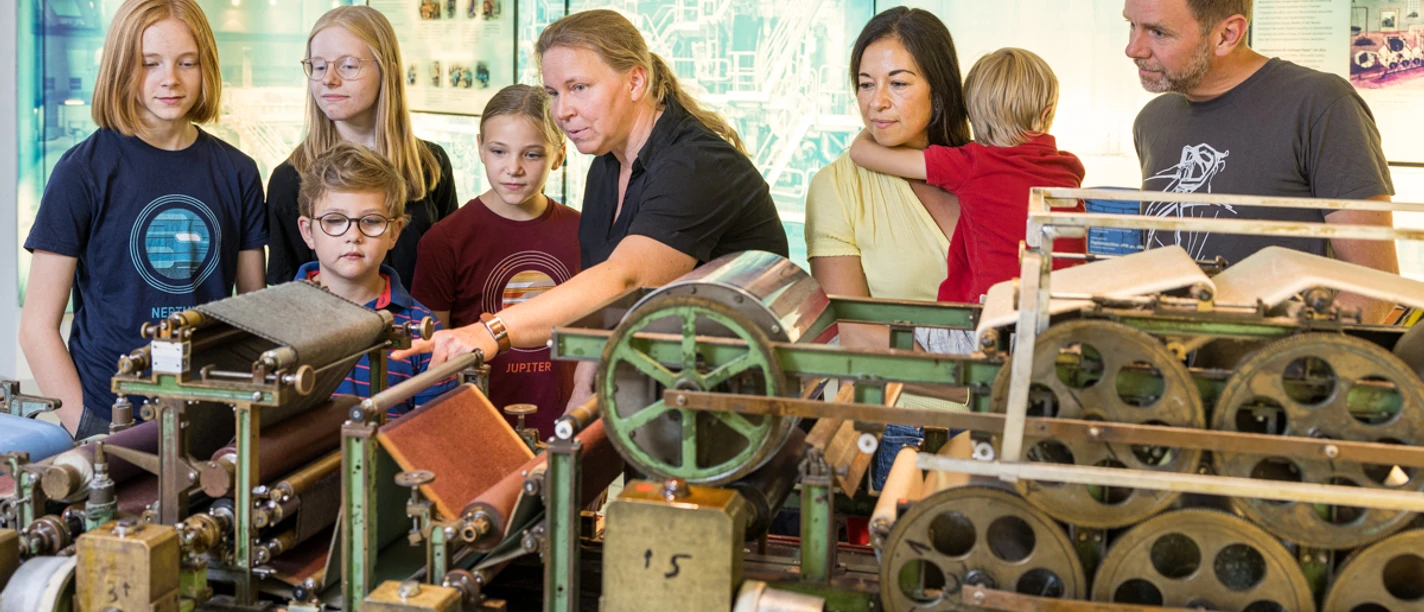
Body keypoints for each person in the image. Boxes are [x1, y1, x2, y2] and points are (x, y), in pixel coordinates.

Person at [395, 9, 787, 412]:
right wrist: (579, 402)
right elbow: (603, 307)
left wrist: (490, 331)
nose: (562, 111)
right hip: (668, 392)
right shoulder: (607, 163)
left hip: (742, 397)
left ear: (636, 80)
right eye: (552, 93)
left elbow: (626, 280)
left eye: (579, 87)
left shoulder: (694, 164)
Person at [21, 0, 267, 439]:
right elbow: (37, 327)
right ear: (120, 69)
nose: (169, 79)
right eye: (148, 64)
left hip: (212, 412)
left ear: (205, 67)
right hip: (109, 413)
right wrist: (89, 425)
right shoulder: (83, 171)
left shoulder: (239, 171)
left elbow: (253, 312)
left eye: (186, 62)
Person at [1125, 0, 1397, 322]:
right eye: (1131, 25)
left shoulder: (1319, 104)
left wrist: (1303, 362)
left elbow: (1374, 282)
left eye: (1158, 32)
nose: (1133, 49)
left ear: (1227, 34)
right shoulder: (1152, 120)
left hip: (1272, 364)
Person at [804, 7, 971, 490]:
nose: (877, 102)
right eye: (864, 84)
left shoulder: (976, 172)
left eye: (898, 84)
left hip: (989, 421)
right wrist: (974, 388)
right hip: (895, 424)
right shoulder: (836, 187)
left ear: (938, 90)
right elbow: (856, 332)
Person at [849, 48, 1086, 307]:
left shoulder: (971, 164)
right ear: (1046, 113)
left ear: (971, 114)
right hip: (1061, 310)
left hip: (990, 317)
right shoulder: (1069, 168)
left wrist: (876, 123)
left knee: (912, 330)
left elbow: (862, 153)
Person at [412, 84, 579, 437]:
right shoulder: (445, 241)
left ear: (559, 155)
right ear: (480, 149)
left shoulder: (584, 232)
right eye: (499, 151)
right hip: (477, 426)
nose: (513, 168)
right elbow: (435, 354)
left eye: (532, 155)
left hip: (566, 421)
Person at [266, 5, 458, 287]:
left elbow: (450, 272)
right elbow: (285, 292)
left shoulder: (430, 164)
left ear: (387, 72)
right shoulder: (290, 179)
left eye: (348, 66)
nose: (329, 79)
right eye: (319, 66)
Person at [294, 142, 455, 418]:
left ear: (395, 232)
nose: (353, 235)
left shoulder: (422, 328)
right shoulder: (273, 316)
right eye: (334, 220)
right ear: (308, 231)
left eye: (370, 221)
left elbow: (435, 433)